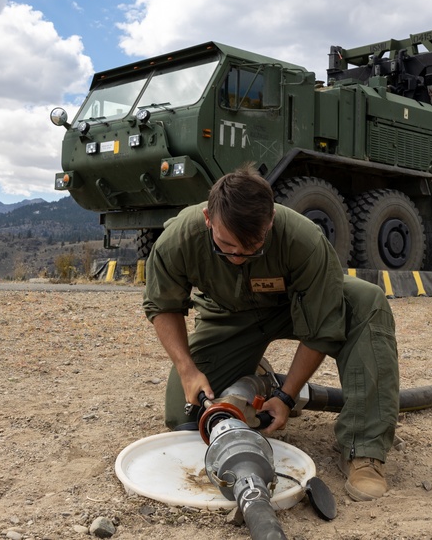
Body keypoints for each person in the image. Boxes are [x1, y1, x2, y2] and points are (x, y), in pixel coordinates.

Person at [143, 165, 400, 501]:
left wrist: (287, 397)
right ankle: (258, 377)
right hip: (228, 316)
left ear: (271, 221)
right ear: (208, 218)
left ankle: (364, 449)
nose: (238, 256)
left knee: (368, 302)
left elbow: (322, 325)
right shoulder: (179, 238)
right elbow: (162, 306)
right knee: (185, 417)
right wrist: (187, 370)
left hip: (293, 309)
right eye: (227, 245)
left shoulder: (304, 239)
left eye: (252, 246)